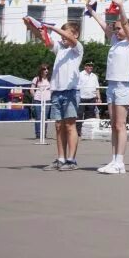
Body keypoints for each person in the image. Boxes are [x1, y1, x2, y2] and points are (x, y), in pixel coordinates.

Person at [24, 20, 83, 170]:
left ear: (75, 34)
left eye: (66, 32)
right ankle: (61, 159)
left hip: (70, 91)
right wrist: (31, 26)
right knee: (58, 126)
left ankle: (71, 160)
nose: (62, 36)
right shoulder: (60, 49)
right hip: (56, 91)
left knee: (70, 126)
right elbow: (45, 38)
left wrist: (53, 28)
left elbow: (69, 39)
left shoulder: (77, 49)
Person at [88, 0, 129, 175]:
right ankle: (114, 159)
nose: (116, 31)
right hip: (111, 85)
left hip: (123, 85)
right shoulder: (115, 42)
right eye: (115, 29)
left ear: (127, 29)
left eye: (120, 28)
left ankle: (120, 162)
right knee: (114, 124)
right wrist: (92, 12)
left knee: (121, 124)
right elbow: (104, 25)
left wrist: (121, 8)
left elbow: (124, 22)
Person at [29, 64, 51, 140]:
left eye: (47, 69)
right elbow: (31, 89)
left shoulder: (50, 79)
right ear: (41, 70)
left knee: (45, 118)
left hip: (47, 100)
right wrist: (35, 96)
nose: (46, 70)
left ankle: (44, 133)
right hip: (38, 100)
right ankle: (38, 134)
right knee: (38, 117)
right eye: (44, 69)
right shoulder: (36, 79)